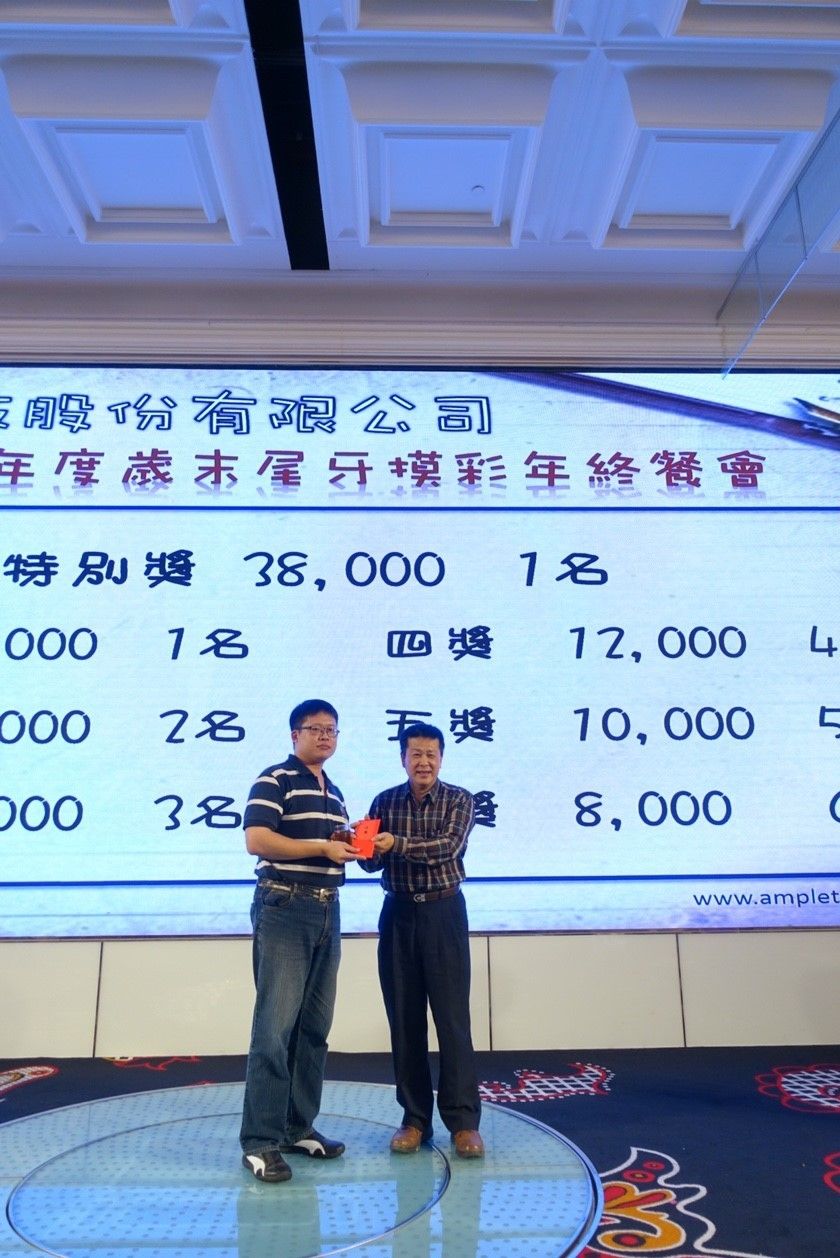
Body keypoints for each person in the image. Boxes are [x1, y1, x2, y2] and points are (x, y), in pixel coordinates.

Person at [239, 699, 359, 1183]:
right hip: (285, 906)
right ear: (295, 735)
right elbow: (257, 840)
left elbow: (331, 851)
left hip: (328, 908)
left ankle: (297, 1127)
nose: (325, 736)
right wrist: (321, 847)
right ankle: (260, 1142)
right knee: (274, 1029)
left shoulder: (336, 793)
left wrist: (357, 846)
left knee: (314, 1029)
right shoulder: (275, 780)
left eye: (332, 729)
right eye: (316, 729)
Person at [359, 721, 483, 1158]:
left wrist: (395, 843)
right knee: (404, 1021)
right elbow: (369, 864)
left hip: (443, 913)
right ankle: (414, 1120)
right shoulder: (384, 801)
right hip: (398, 915)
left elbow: (447, 847)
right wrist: (359, 844)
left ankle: (463, 1123)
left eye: (431, 754)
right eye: (416, 754)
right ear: (403, 758)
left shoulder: (459, 800)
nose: (423, 762)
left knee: (452, 1021)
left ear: (441, 758)